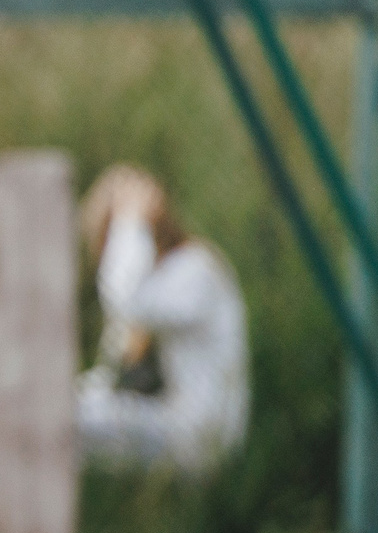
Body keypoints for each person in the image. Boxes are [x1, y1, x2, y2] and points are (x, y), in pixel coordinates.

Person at [77, 162, 249, 469]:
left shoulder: (196, 270)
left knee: (68, 423)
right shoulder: (161, 281)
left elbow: (126, 301)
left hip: (200, 438)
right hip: (171, 426)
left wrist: (130, 221)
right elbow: (116, 373)